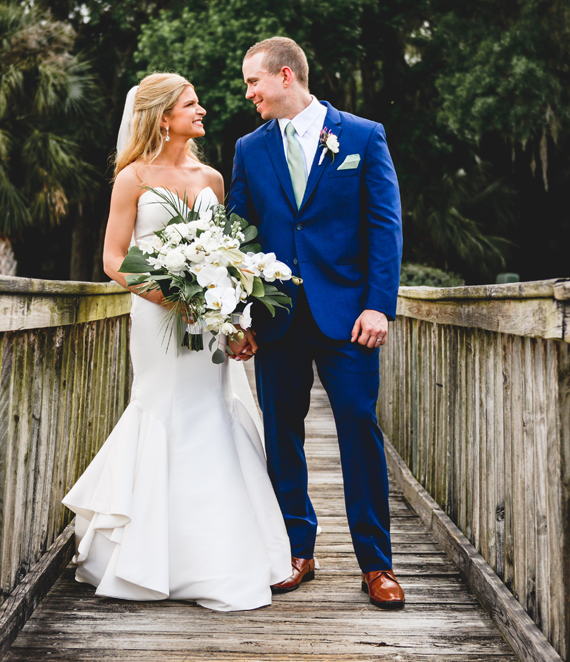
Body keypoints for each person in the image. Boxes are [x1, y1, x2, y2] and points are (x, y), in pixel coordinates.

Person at [62, 72, 291, 612]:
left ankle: (215, 555)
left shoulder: (213, 178)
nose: (203, 110)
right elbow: (114, 259)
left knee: (210, 411)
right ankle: (146, 555)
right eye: (192, 104)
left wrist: (233, 320)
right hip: (157, 320)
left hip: (208, 319)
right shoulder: (133, 178)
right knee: (161, 408)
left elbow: (227, 262)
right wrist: (170, 297)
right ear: (163, 116)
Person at [228, 37, 406, 609]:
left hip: (349, 318)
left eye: (254, 82)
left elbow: (385, 227)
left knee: (358, 428)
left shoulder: (362, 136)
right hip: (276, 320)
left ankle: (376, 564)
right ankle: (295, 551)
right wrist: (240, 314)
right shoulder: (249, 149)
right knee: (283, 435)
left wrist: (379, 304)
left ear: (285, 76)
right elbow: (237, 237)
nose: (249, 93)